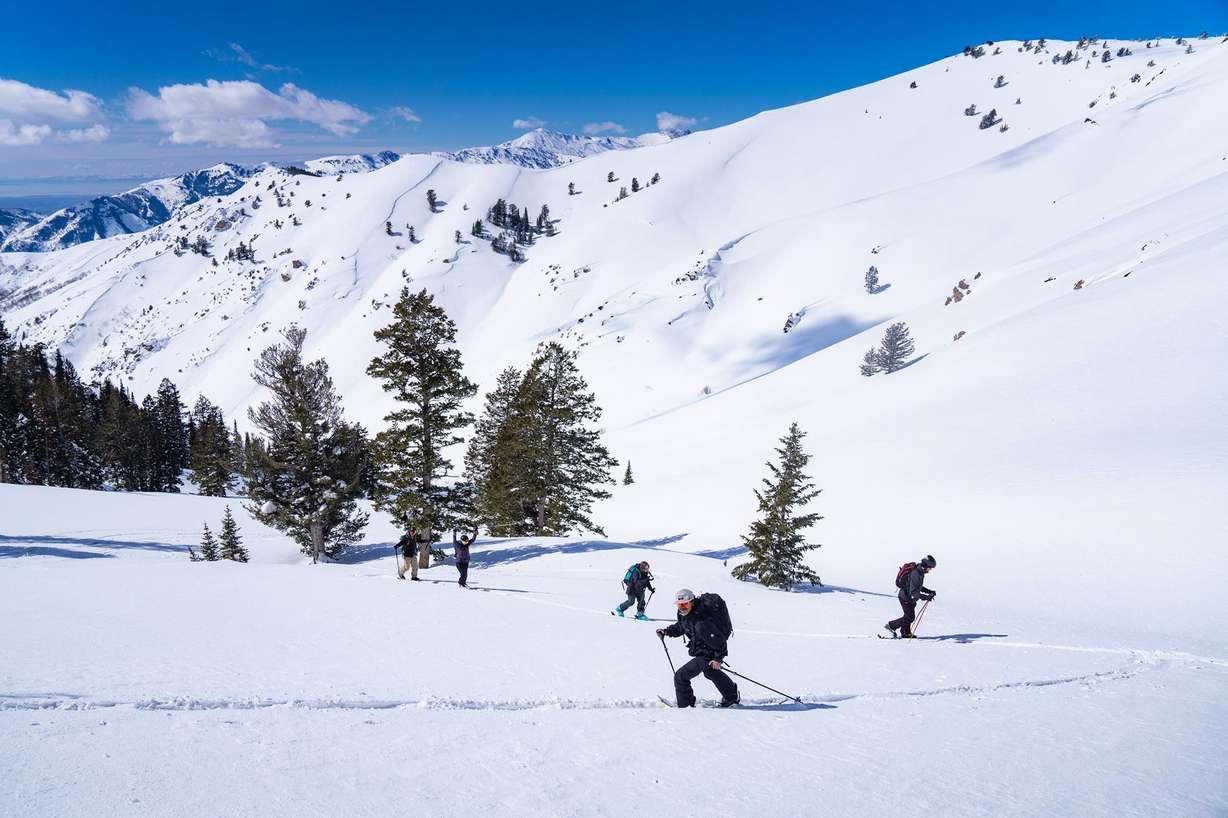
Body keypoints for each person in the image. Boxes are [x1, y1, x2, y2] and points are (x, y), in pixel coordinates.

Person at [656, 589, 739, 708]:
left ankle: (685, 707)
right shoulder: (686, 614)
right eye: (679, 604)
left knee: (680, 677)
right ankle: (732, 696)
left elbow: (720, 642)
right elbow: (682, 626)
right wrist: (666, 631)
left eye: (685, 604)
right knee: (710, 672)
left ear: (692, 602)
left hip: (707, 651)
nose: (682, 607)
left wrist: (718, 659)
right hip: (703, 649)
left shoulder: (702, 623)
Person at [885, 555, 937, 638]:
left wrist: (929, 591)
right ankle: (891, 626)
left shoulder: (920, 572)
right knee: (910, 618)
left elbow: (917, 586)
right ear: (925, 566)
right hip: (905, 597)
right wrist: (925, 597)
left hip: (910, 598)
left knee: (908, 616)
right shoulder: (916, 573)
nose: (930, 570)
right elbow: (913, 592)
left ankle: (905, 632)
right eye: (930, 568)